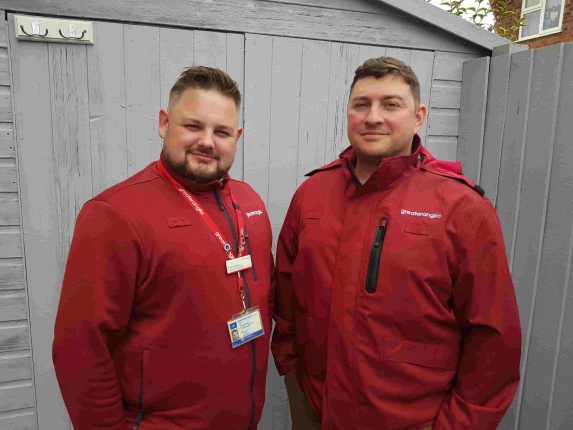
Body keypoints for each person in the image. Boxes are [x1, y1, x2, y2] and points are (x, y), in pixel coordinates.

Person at [271, 57, 522, 430]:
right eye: (362, 104)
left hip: (413, 419)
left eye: (391, 104)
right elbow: (287, 298)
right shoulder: (311, 195)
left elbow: (492, 338)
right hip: (315, 408)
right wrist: (292, 371)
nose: (373, 117)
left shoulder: (461, 208)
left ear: (418, 116)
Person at [53, 66, 275, 430]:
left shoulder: (249, 202)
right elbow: (80, 348)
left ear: (237, 136)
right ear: (163, 123)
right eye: (193, 126)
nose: (207, 141)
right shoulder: (114, 214)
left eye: (221, 132)